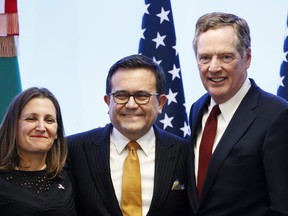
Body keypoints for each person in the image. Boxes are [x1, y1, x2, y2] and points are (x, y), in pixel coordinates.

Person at [187, 12, 288, 215]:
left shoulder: (278, 116)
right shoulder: (197, 109)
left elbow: (282, 208)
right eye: (205, 57)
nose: (214, 67)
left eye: (226, 57)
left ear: (247, 58)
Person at [66, 54, 192, 216]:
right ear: (108, 102)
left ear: (160, 103)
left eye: (142, 96)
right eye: (121, 96)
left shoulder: (186, 153)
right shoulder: (73, 149)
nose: (131, 105)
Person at [0, 87, 76, 215]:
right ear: (13, 126)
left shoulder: (68, 176)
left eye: (49, 120)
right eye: (31, 118)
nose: (41, 127)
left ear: (57, 131)